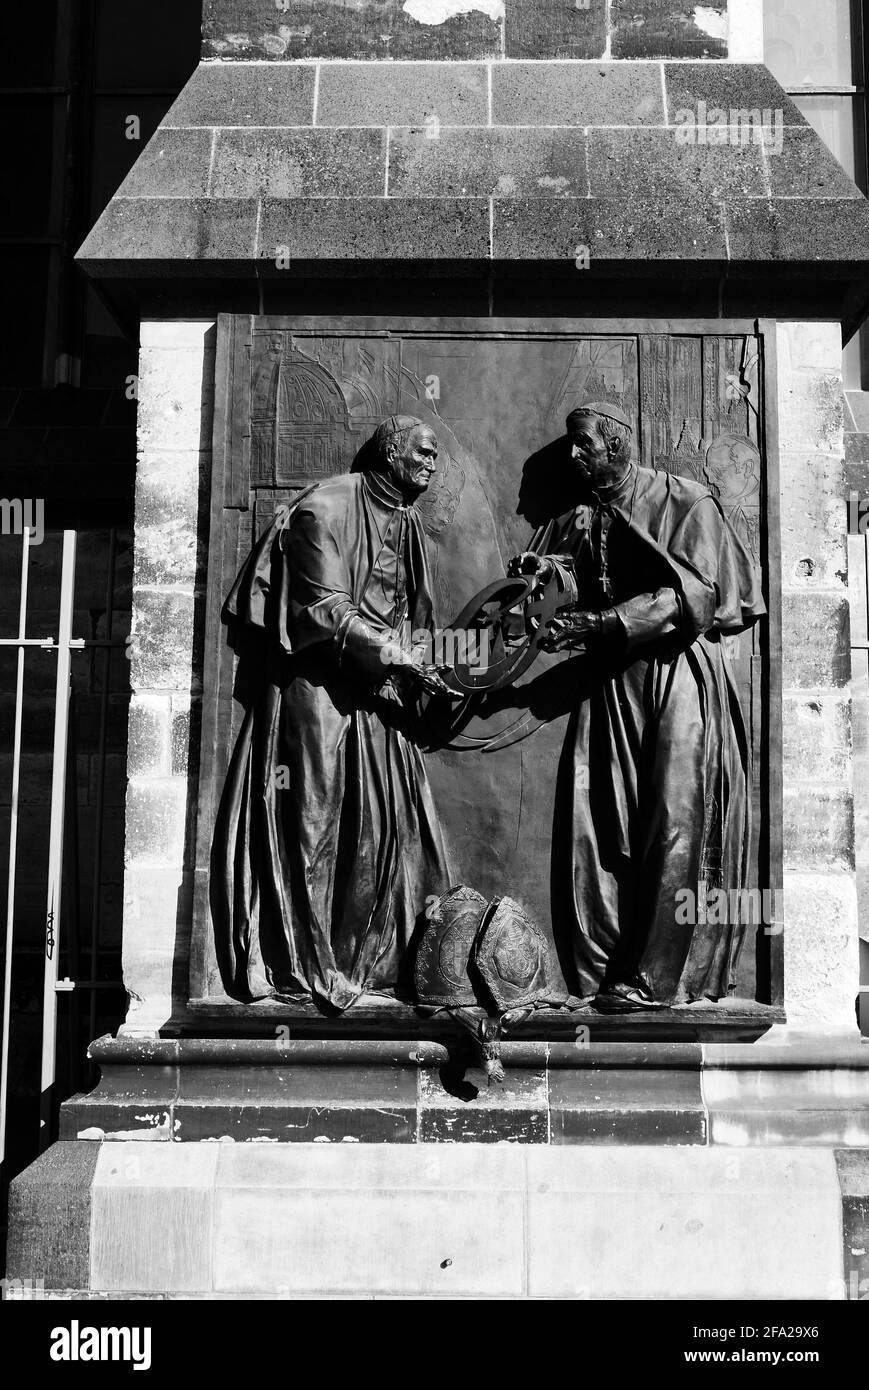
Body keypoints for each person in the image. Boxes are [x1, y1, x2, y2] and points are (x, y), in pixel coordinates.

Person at [508, 403, 766, 1010]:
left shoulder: (685, 501)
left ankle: (656, 978)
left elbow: (691, 596)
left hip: (675, 677)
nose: (574, 456)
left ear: (617, 444)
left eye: (583, 444)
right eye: (569, 446)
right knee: (598, 820)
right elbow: (553, 590)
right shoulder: (578, 519)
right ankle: (601, 969)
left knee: (673, 820)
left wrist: (603, 623)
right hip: (610, 685)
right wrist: (537, 581)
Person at [210, 416, 453, 1012]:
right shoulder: (322, 509)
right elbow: (323, 611)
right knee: (313, 824)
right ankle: (306, 965)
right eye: (423, 452)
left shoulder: (405, 519)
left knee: (384, 830)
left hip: (378, 693)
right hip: (317, 690)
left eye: (437, 455)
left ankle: (370, 961)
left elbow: (412, 613)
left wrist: (439, 668)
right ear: (391, 451)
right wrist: (398, 660)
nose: (432, 463)